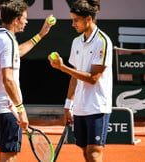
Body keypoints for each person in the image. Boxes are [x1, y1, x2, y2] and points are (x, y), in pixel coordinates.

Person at [0, 1, 53, 162]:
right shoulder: (9, 42)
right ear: (16, 20)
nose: (26, 21)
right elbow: (8, 79)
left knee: (5, 154)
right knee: (9, 157)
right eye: (24, 18)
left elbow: (17, 52)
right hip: (8, 108)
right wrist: (21, 110)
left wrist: (41, 34)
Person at [48, 0, 113, 161]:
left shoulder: (102, 42)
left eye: (76, 20)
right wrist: (68, 106)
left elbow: (93, 78)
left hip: (98, 107)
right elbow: (75, 76)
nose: (73, 24)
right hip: (80, 108)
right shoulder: (76, 42)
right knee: (85, 152)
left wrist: (62, 67)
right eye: (72, 19)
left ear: (88, 19)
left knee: (94, 153)